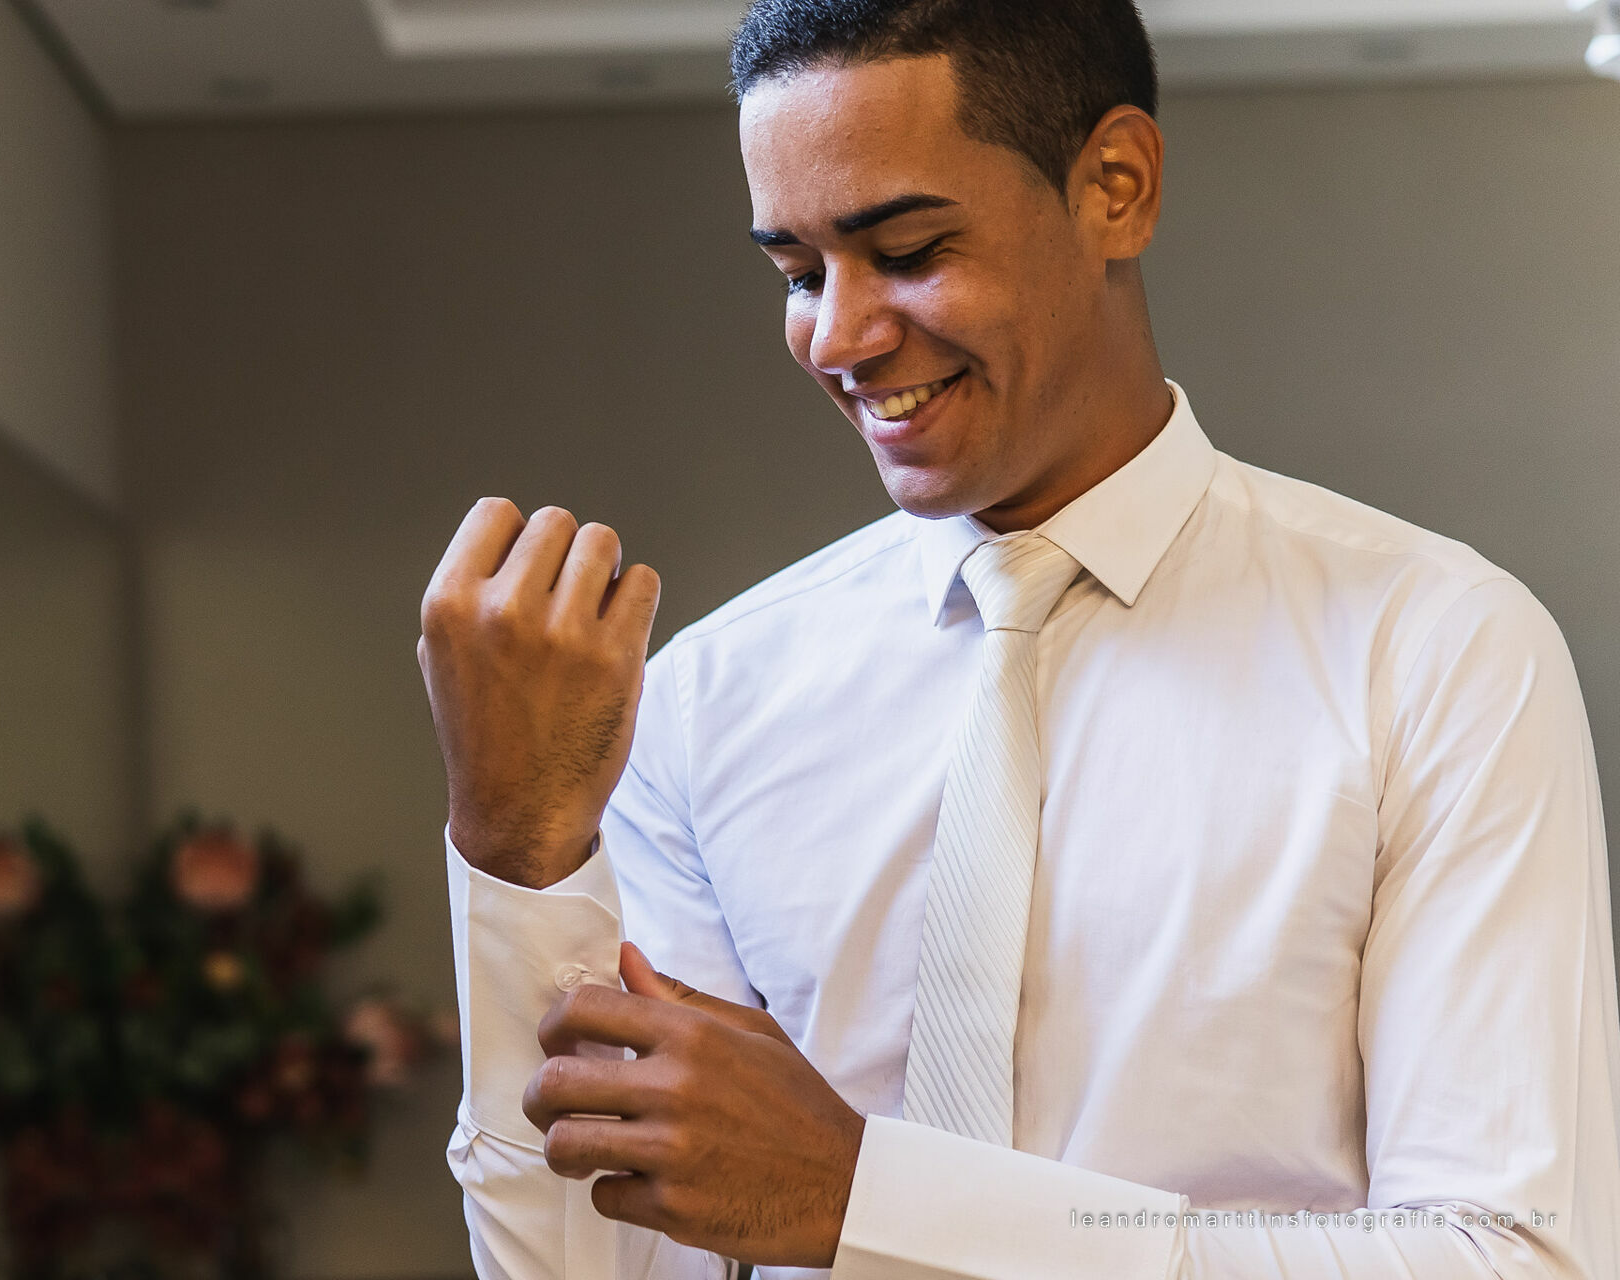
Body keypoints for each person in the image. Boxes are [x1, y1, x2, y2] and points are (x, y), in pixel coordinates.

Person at [414, 1, 1620, 1276]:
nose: (837, 335)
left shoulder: (1433, 650)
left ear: (1115, 186)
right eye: (799, 274)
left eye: (911, 249)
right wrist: (517, 857)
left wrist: (868, 1196)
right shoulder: (703, 704)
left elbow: (1506, 1257)